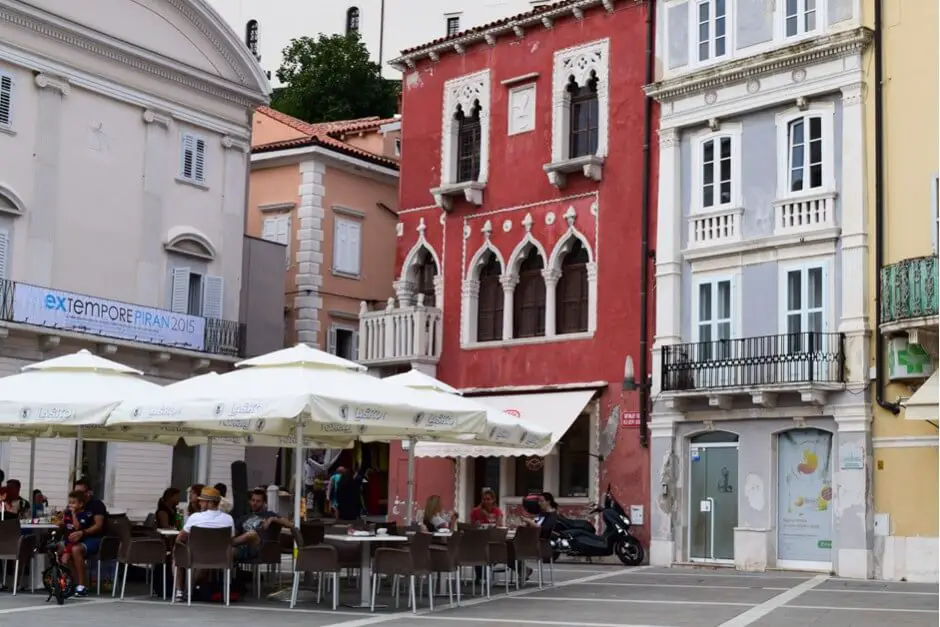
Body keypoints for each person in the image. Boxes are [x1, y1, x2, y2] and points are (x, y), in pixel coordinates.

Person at [174, 486, 234, 602]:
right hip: (221, 559)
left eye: (202, 500)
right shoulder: (228, 519)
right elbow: (230, 540)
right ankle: (191, 589)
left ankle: (180, 591)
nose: (199, 502)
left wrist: (175, 548)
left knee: (176, 555)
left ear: (210, 502)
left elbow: (180, 537)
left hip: (196, 558)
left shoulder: (195, 518)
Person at [70, 478, 108, 597]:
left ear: (89, 493)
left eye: (80, 493)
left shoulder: (97, 505)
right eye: (75, 492)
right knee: (58, 548)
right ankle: (71, 581)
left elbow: (98, 525)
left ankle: (82, 586)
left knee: (76, 549)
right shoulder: (74, 504)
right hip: (78, 536)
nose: (77, 495)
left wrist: (83, 533)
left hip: (95, 538)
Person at [232, 489, 293, 561]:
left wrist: (273, 519)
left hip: (261, 548)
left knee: (252, 534)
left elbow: (290, 524)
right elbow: (233, 534)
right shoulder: (243, 518)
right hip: (244, 549)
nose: (254, 503)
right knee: (228, 552)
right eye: (253, 500)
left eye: (258, 501)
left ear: (264, 503)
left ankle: (227, 544)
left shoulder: (269, 514)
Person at [59, 491, 93, 564]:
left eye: (73, 503)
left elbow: (77, 527)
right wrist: (60, 519)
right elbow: (62, 523)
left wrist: (73, 514)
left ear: (80, 504)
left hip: (78, 541)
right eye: (69, 502)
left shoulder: (84, 514)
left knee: (65, 559)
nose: (70, 505)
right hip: (67, 541)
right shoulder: (67, 513)